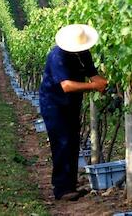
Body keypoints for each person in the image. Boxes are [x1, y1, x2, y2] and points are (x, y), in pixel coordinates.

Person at [39, 24, 107, 201]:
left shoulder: (83, 53)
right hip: (53, 105)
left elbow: (93, 74)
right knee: (61, 143)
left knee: (72, 141)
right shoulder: (57, 56)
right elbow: (67, 86)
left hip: (71, 104)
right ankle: (61, 189)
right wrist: (94, 86)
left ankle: (70, 185)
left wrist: (105, 84)